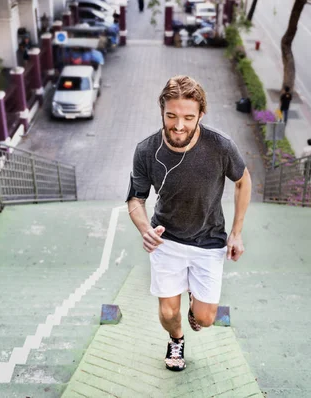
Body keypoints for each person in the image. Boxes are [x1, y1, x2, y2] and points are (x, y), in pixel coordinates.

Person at [126, 76, 252, 372]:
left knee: (206, 319)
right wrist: (145, 230)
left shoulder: (220, 146)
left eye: (188, 117)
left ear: (200, 116)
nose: (179, 125)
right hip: (166, 240)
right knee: (169, 313)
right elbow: (135, 200)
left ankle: (196, 300)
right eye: (171, 116)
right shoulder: (146, 151)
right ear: (162, 111)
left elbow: (243, 181)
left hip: (209, 241)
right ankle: (176, 340)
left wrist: (236, 233)